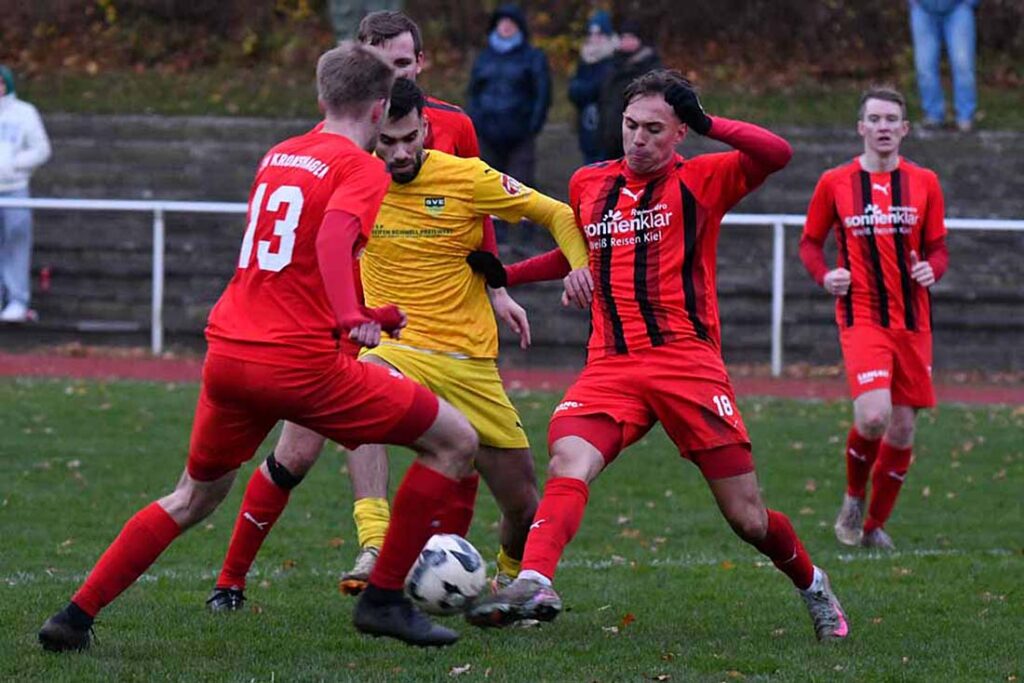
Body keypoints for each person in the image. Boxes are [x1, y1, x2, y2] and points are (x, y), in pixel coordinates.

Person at [38, 43, 476, 652]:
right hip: (296, 363)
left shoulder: (281, 154)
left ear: (322, 98)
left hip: (230, 352)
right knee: (456, 442)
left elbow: (291, 263)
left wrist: (366, 313)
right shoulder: (361, 168)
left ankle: (73, 618)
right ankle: (382, 600)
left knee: (192, 496)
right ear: (381, 110)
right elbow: (333, 238)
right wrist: (352, 316)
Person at [465, 69, 849, 643]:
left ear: (680, 132)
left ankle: (813, 583)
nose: (638, 139)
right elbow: (580, 253)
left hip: (686, 365)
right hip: (611, 364)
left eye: (653, 129)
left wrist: (710, 122)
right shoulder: (589, 182)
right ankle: (536, 582)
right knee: (569, 460)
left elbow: (777, 153)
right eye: (630, 126)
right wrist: (508, 275)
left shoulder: (704, 179)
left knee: (746, 517)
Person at [206, 77, 591, 617]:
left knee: (523, 503)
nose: (400, 152)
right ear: (372, 132)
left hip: (469, 363)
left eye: (410, 139)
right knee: (358, 401)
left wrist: (577, 266)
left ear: (426, 128)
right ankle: (374, 541)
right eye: (388, 142)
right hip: (396, 348)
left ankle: (508, 581)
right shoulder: (354, 179)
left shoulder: (466, 177)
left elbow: (559, 213)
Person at [799, 86, 949, 550]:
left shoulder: (925, 182)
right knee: (873, 417)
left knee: (902, 427)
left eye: (891, 120)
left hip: (913, 322)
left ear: (904, 129)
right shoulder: (835, 182)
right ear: (861, 127)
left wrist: (933, 268)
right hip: (862, 316)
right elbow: (810, 244)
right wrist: (826, 275)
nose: (883, 127)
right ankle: (852, 497)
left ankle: (873, 526)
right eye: (875, 119)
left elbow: (938, 248)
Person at [467, 4, 551, 189]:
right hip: (487, 133)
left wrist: (533, 125)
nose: (506, 26)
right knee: (489, 187)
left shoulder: (533, 57)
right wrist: (476, 120)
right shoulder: (484, 57)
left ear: (519, 26)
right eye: (502, 22)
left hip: (520, 134)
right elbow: (473, 92)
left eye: (511, 23)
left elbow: (542, 94)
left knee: (519, 189)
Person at [0, 65, 51, 323]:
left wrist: (12, 164)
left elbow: (41, 150)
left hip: (15, 190)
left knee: (16, 244)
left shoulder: (25, 113)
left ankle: (17, 300)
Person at [908, 0, 978, 132]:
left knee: (963, 65)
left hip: (959, 8)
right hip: (923, 10)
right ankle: (933, 116)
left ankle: (965, 117)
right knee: (924, 67)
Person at [596, 20, 661, 160]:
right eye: (623, 37)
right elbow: (604, 100)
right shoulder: (612, 64)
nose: (626, 41)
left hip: (637, 138)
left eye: (630, 37)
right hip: (610, 135)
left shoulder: (650, 67)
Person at [568, 11, 618, 164]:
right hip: (588, 128)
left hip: (609, 132)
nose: (594, 38)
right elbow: (574, 91)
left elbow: (608, 91)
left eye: (599, 34)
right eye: (591, 34)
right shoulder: (585, 61)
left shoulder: (615, 61)